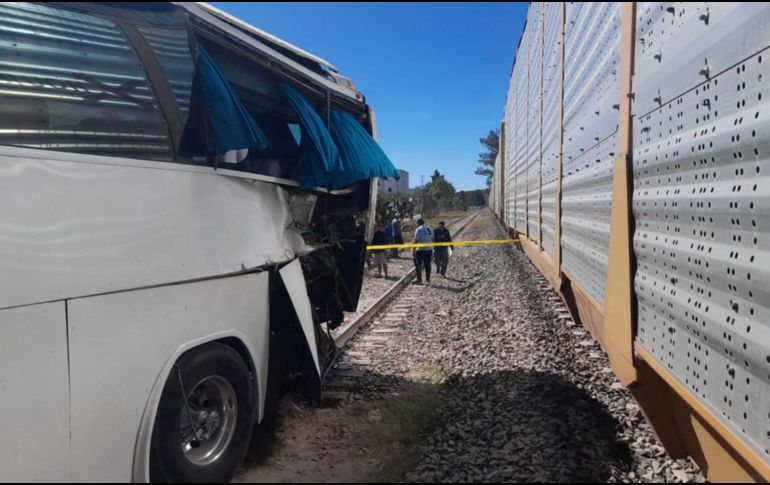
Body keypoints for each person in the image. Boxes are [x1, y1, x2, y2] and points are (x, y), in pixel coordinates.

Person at [412, 218, 433, 284]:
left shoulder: (418, 229)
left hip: (421, 250)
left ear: (418, 223)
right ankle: (428, 279)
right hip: (429, 249)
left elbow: (415, 240)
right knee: (428, 265)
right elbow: (432, 238)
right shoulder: (429, 228)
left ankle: (419, 279)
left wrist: (413, 250)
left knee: (418, 265)